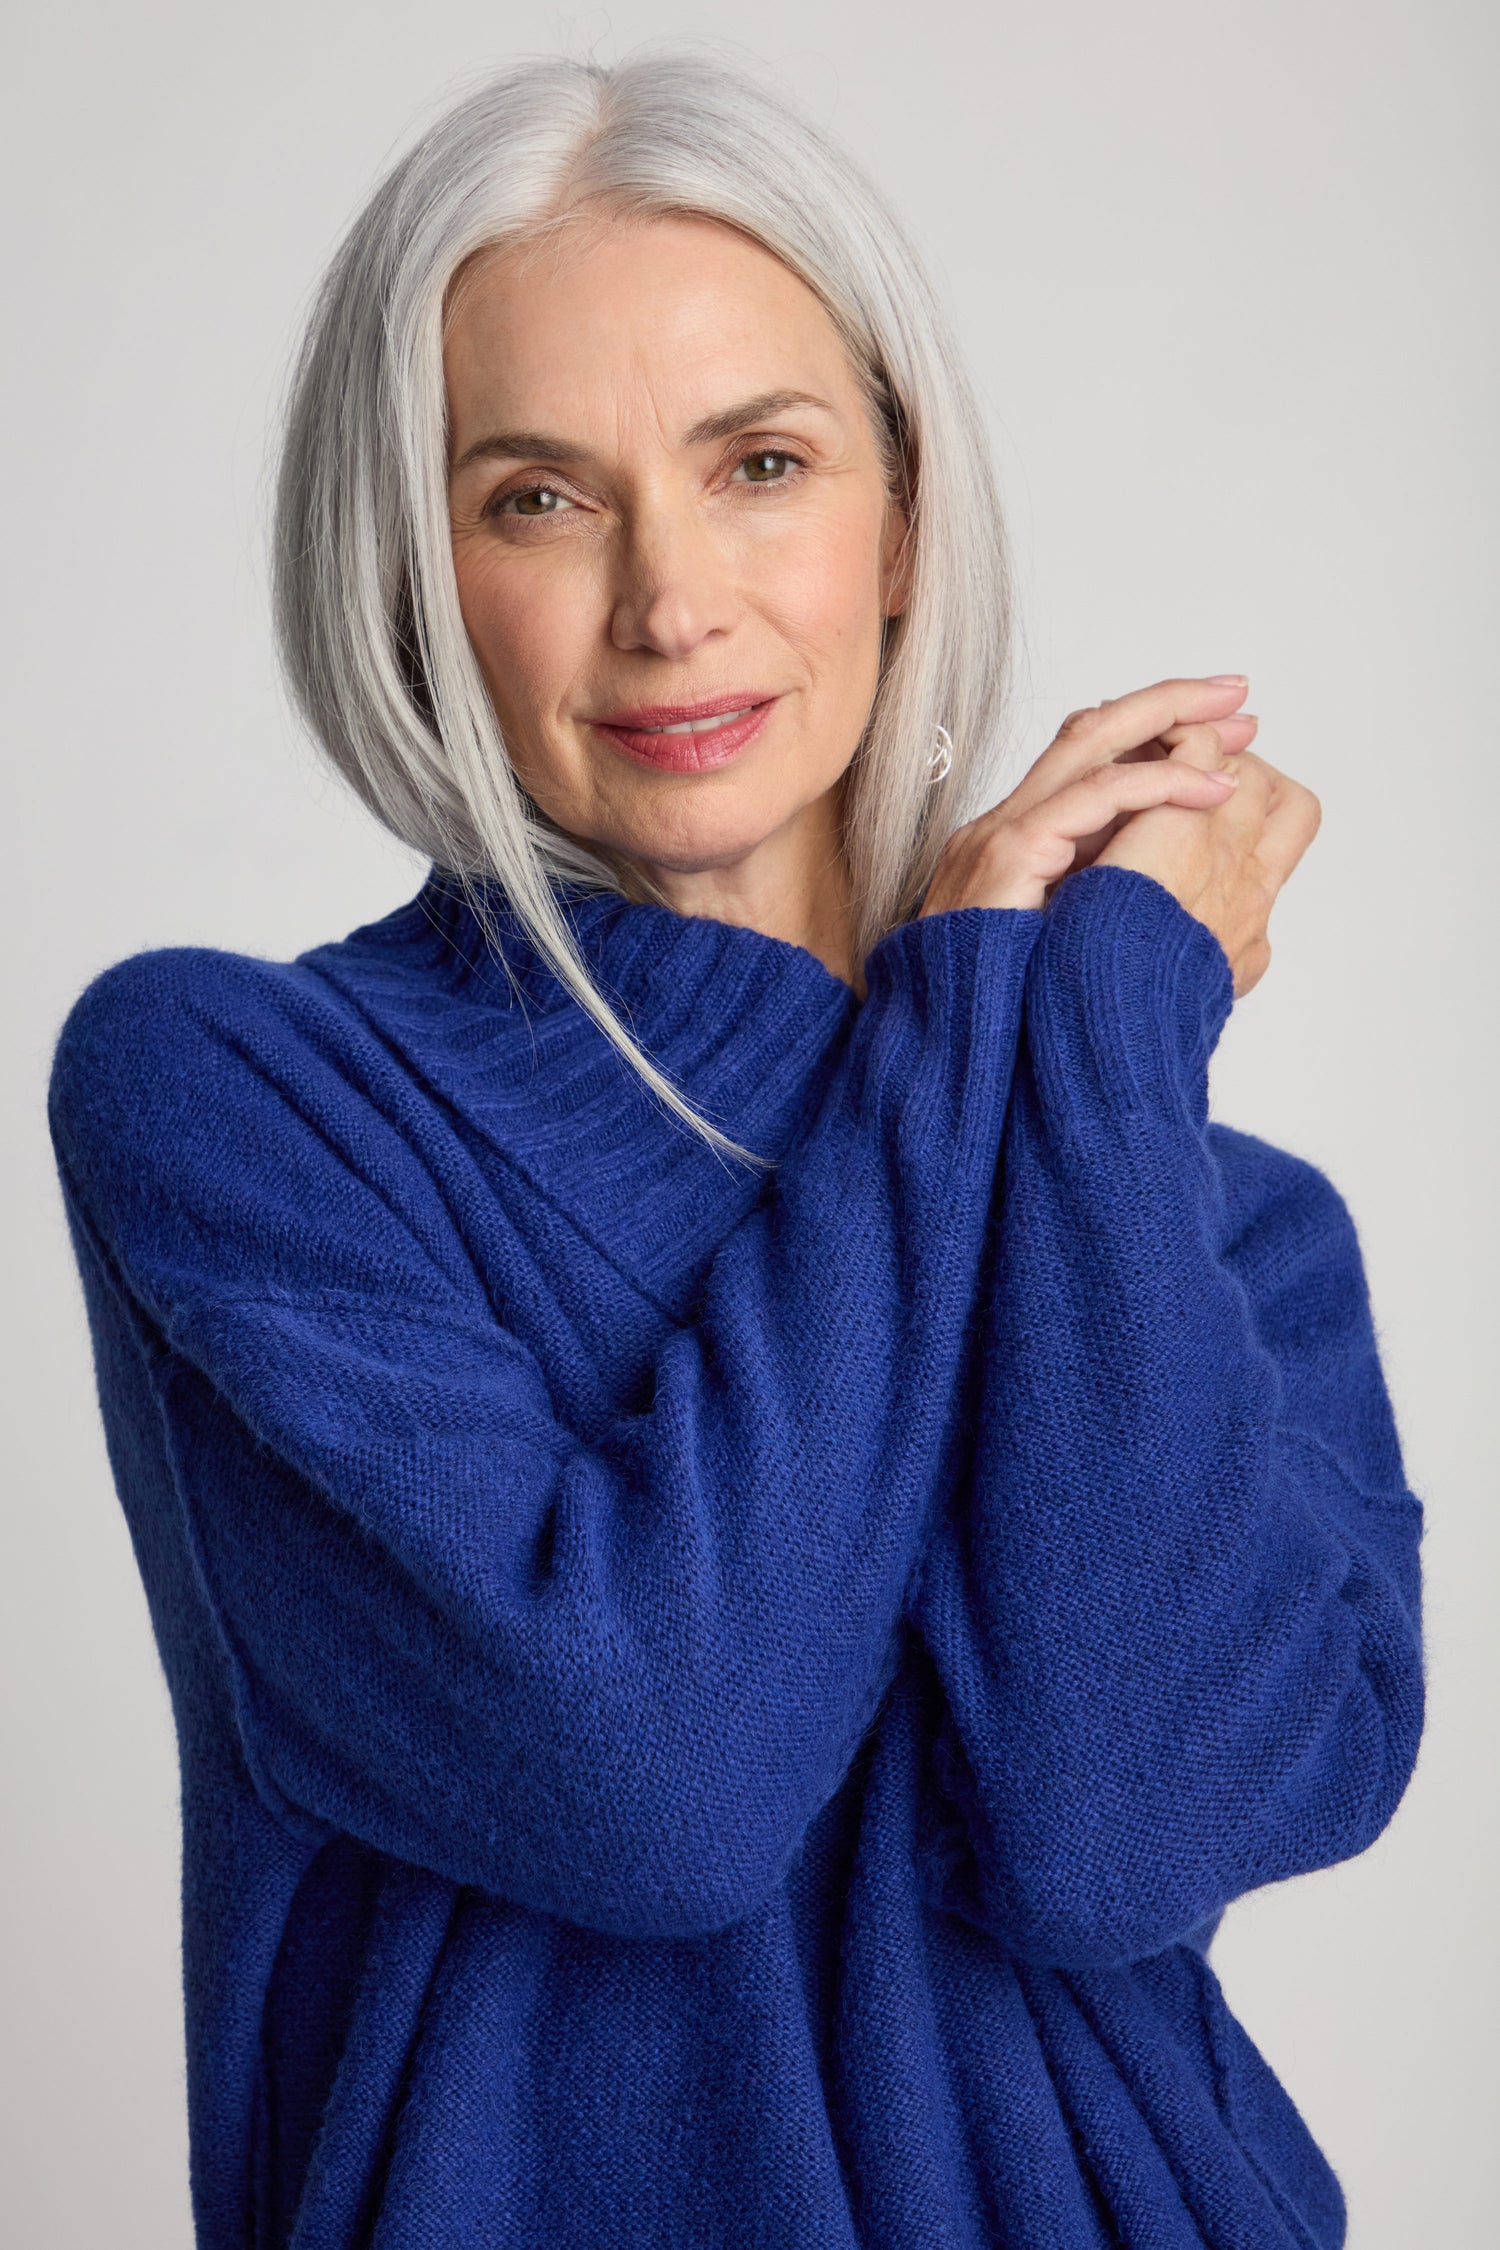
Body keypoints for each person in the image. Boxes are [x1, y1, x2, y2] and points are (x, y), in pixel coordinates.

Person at [46, 48, 1425, 2250]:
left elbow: (1116, 1834)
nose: (669, 596)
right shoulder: (250, 1097)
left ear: (902, 525)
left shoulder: (1217, 1230)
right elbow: (650, 1778)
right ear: (411, 575)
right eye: (537, 497)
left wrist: (1089, 1046)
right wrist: (981, 1021)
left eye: (760, 463)